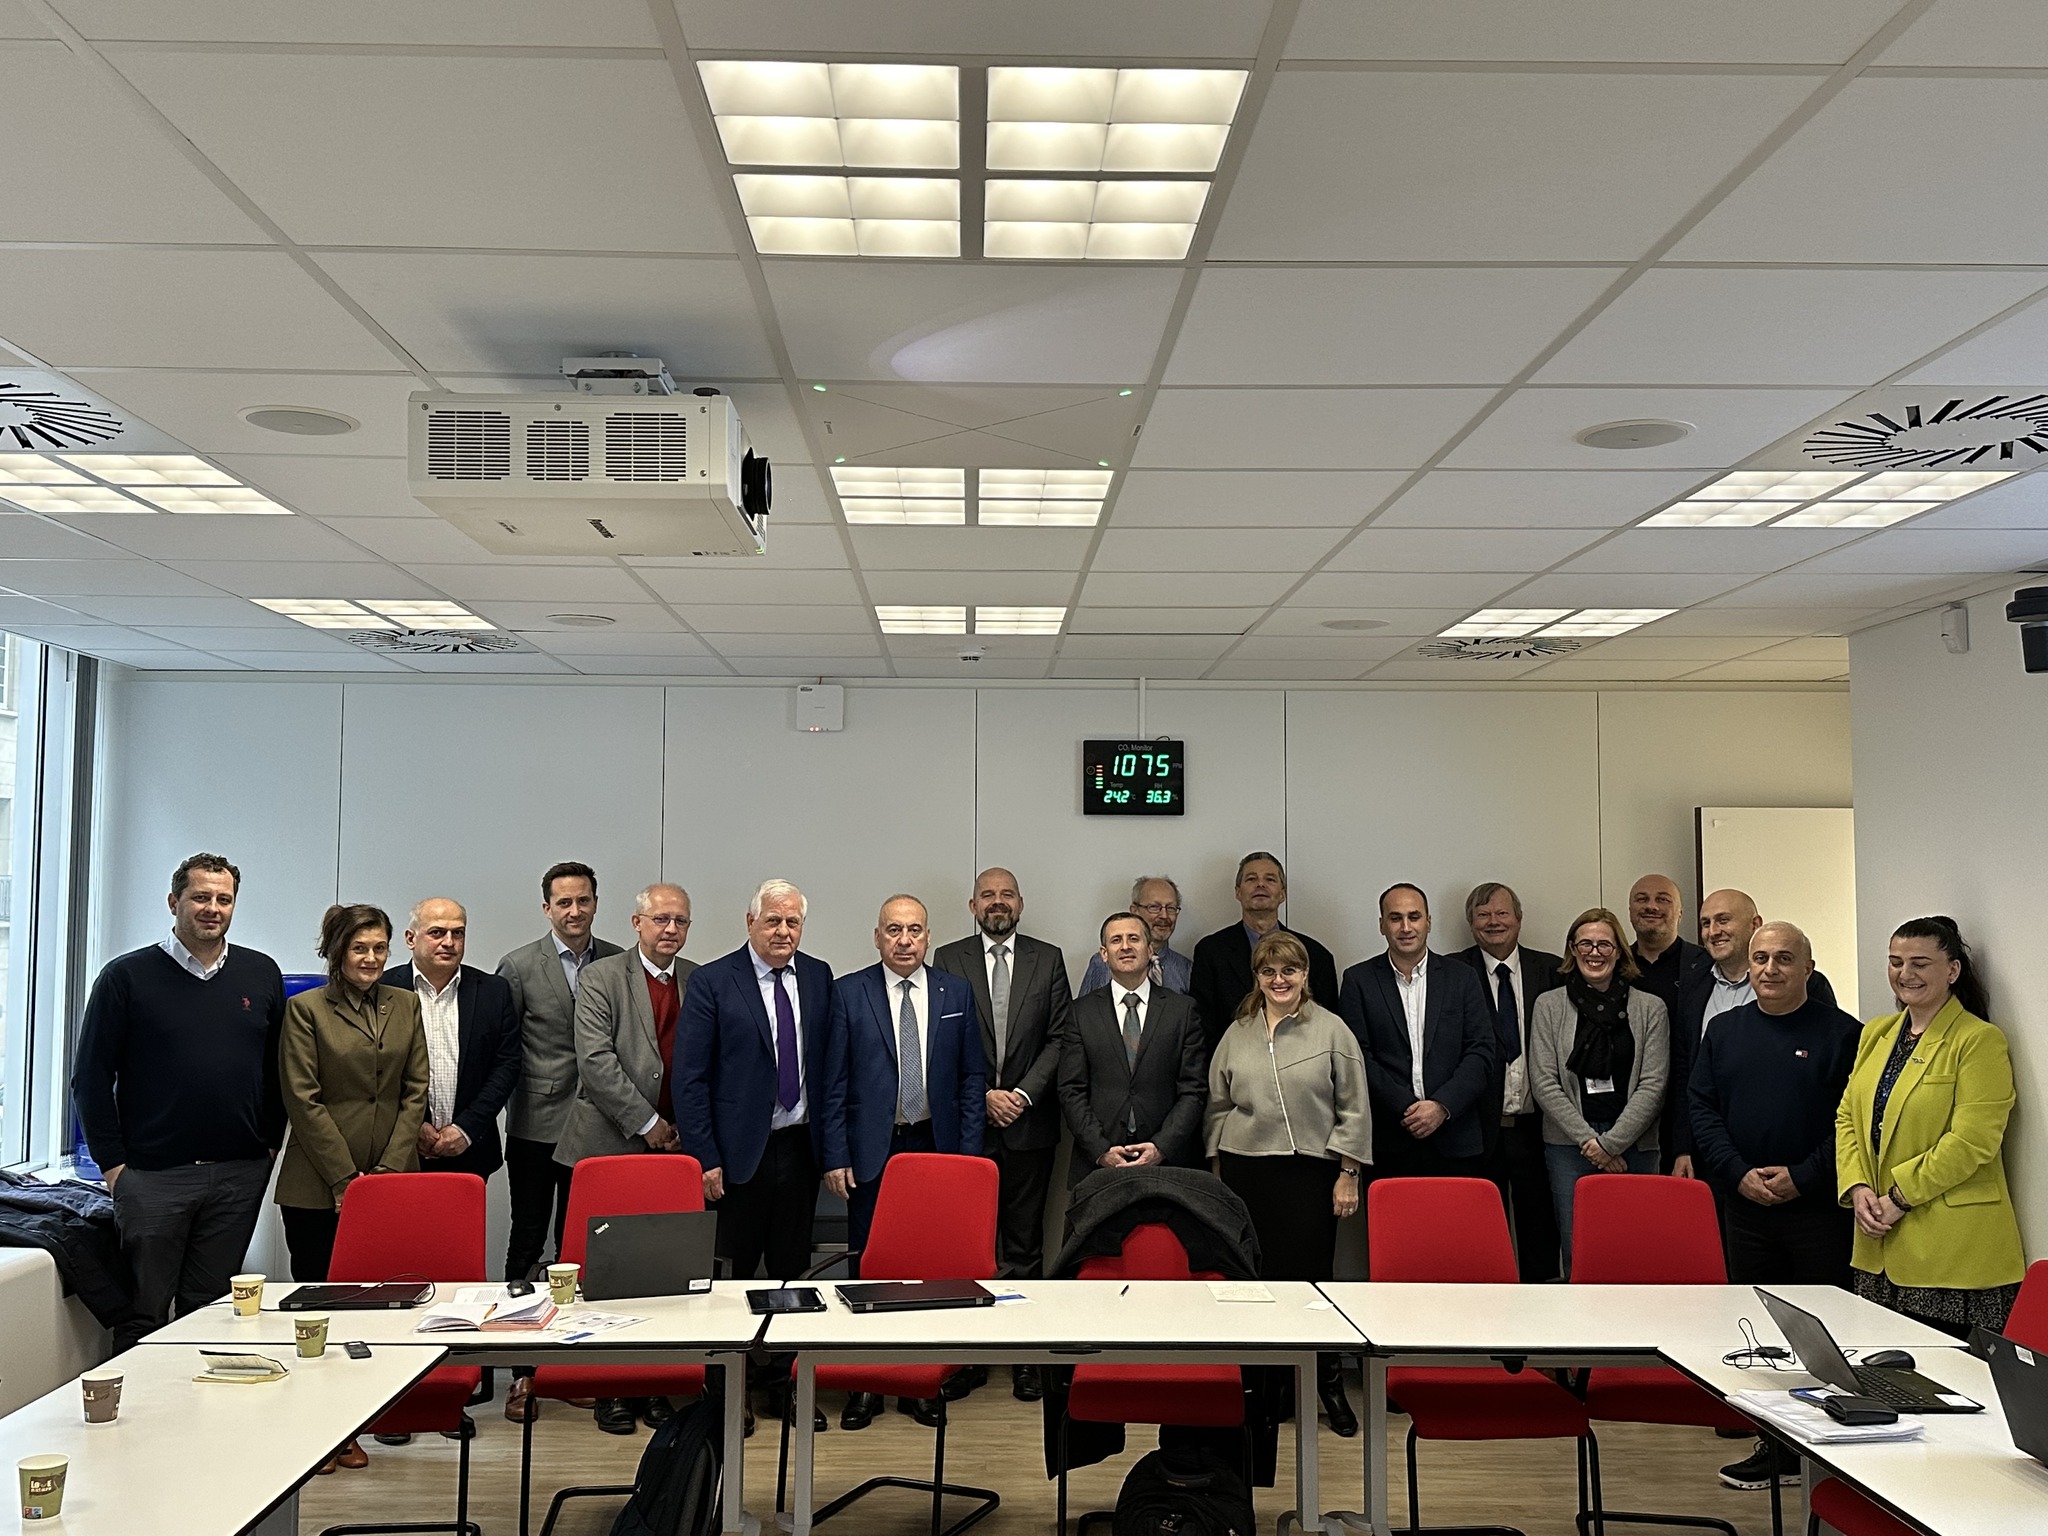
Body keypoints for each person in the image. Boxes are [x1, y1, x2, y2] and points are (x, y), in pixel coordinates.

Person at [72, 853, 286, 1346]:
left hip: (238, 1174)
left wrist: (268, 1145)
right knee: (142, 1313)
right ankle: (136, 1398)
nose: (213, 908)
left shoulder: (260, 973)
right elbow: (90, 1078)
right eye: (200, 897)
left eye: (224, 899)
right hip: (152, 1177)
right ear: (174, 902)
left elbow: (277, 1070)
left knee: (211, 1311)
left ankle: (197, 1396)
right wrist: (114, 1167)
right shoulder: (125, 977)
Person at [1688, 921, 1861, 1493]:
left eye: (1784, 959)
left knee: (1824, 1337)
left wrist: (1803, 1177)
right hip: (1745, 1209)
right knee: (1762, 1337)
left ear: (1808, 968)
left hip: (1817, 1212)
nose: (1770, 969)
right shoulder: (1724, 1030)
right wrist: (1737, 1173)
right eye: (1761, 958)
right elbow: (1702, 1108)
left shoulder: (1845, 1035)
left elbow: (1853, 1126)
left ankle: (1832, 1455)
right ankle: (1776, 1448)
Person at [820, 895, 985, 1431]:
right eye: (894, 930)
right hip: (873, 1150)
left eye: (914, 930)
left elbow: (971, 1079)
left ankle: (920, 1381)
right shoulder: (849, 992)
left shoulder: (955, 992)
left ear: (929, 937)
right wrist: (836, 1154)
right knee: (869, 1265)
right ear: (877, 937)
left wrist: (968, 1159)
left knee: (929, 1267)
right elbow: (832, 1082)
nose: (905, 940)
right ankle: (866, 1383)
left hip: (935, 1145)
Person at [275, 903, 428, 1475]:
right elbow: (302, 1098)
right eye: (359, 948)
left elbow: (416, 1090)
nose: (370, 958)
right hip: (318, 1183)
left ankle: (370, 1417)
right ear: (336, 951)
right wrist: (347, 1180)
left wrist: (386, 1174)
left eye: (379, 948)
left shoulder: (406, 1004)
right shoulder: (306, 1009)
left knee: (383, 1308)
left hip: (393, 1176)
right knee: (321, 1310)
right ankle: (321, 1430)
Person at [674, 879, 833, 1427]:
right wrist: (705, 1157)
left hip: (799, 1150)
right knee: (731, 1276)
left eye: (792, 922)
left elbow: (828, 1067)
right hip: (735, 1158)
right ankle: (729, 1389)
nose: (783, 931)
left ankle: (788, 1384)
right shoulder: (714, 981)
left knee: (793, 1273)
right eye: (772, 921)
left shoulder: (818, 976)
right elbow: (690, 1079)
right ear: (750, 923)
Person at [1206, 931, 1371, 1438]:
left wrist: (1348, 1174)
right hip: (1247, 1172)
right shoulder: (1238, 1032)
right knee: (1259, 1284)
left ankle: (1326, 1383)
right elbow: (1218, 1105)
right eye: (1269, 972)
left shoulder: (1332, 1030)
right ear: (1257, 977)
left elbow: (1354, 1108)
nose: (1279, 980)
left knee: (1312, 1285)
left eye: (1289, 971)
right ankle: (1270, 1388)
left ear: (1305, 975)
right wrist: (1217, 1172)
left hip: (1310, 1174)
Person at [551, 882, 698, 1436]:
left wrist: (682, 1129)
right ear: (637, 923)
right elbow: (595, 1061)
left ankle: (655, 1383)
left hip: (676, 1151)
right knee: (607, 1273)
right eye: (661, 919)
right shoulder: (601, 977)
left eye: (681, 921)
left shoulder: (698, 979)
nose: (671, 930)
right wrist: (648, 1123)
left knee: (663, 1270)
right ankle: (611, 1386)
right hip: (611, 1143)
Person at [1836, 917, 2026, 1341]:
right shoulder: (1877, 1033)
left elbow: (1973, 1140)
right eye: (1895, 962)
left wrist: (1898, 1198)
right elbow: (1847, 1115)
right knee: (1882, 1370)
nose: (1905, 974)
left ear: (1952, 970)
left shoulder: (1978, 1040)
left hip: (1955, 1254)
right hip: (1879, 1246)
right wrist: (1857, 1186)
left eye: (1920, 963)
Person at [932, 867, 1073, 1402]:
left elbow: (1060, 1037)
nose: (998, 902)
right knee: (966, 1245)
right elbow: (942, 1040)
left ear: (1020, 903)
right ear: (973, 906)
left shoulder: (1048, 958)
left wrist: (1020, 1094)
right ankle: (966, 1355)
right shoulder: (948, 958)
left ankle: (1023, 1356)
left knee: (1024, 1245)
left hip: (1028, 1122)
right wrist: (984, 1095)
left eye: (1006, 894)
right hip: (967, 1123)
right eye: (987, 895)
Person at [496, 862, 623, 1287]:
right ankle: (515, 1318)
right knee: (528, 1233)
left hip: (598, 1122)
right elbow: (504, 1049)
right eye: (564, 902)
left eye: (583, 900)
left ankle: (578, 1320)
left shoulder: (618, 960)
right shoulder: (518, 966)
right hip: (537, 1123)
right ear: (546, 908)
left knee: (585, 1233)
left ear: (596, 904)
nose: (575, 911)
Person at [1528, 907, 1668, 1266]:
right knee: (1581, 1252)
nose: (1594, 952)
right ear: (1572, 950)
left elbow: (1653, 1085)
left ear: (1619, 951)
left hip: (1636, 1147)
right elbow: (1544, 1082)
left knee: (1638, 1251)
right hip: (1569, 1148)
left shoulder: (1650, 1008)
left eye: (1604, 944)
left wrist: (1611, 1144)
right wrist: (1590, 1143)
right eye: (1585, 944)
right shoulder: (1548, 1006)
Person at [1669, 890, 1838, 1177]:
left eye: (1723, 920)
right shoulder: (1693, 984)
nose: (1713, 931)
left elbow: (1826, 1066)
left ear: (1755, 924)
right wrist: (1683, 1146)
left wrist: (1806, 1172)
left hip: (1794, 1160)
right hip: (1713, 1154)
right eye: (1706, 923)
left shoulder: (1807, 984)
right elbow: (1686, 1072)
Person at [1337, 884, 1495, 1179]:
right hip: (1390, 1141)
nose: (1406, 927)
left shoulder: (1462, 978)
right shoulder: (1358, 980)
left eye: (1414, 916)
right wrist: (1407, 1108)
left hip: (1455, 1139)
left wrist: (1441, 1106)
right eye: (1395, 918)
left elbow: (1481, 1051)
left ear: (1428, 922)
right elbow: (1357, 1057)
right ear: (1382, 925)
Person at [1449, 881, 1565, 1283]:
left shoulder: (1553, 970)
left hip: (1538, 1128)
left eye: (1501, 913)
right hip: (1476, 1130)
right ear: (1470, 923)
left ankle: (1541, 1314)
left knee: (1541, 1235)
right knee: (1478, 1238)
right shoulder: (1451, 972)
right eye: (1483, 915)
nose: (1493, 922)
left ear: (1519, 918)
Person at [1058, 912, 1207, 1182]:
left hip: (1168, 1161)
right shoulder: (1081, 1012)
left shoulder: (1182, 1010)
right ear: (1104, 954)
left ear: (1150, 950)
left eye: (1134, 939)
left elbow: (1193, 1089)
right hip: (1099, 1162)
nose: (1125, 946)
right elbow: (1071, 1089)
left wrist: (1162, 1147)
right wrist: (1101, 1150)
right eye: (1116, 940)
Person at [382, 898, 522, 1182]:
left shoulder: (493, 991)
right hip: (396, 1150)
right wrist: (412, 1126)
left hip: (470, 1149)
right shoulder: (382, 989)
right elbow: (374, 1071)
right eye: (437, 932)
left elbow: (506, 1065)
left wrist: (466, 1129)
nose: (449, 942)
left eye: (458, 933)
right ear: (410, 938)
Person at [1189, 853, 1341, 1057]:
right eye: (1251, 879)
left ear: (1283, 894)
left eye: (1270, 879)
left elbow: (1326, 1028)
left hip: (1301, 1065)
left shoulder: (1316, 955)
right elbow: (1203, 1027)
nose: (1260, 884)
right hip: (1232, 1064)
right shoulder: (1210, 952)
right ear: (1238, 892)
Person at [1077, 876, 1194, 995]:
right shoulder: (1102, 963)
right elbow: (1085, 1006)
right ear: (1134, 910)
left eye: (1171, 908)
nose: (1164, 916)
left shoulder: (1186, 969)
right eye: (1154, 907)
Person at [1625, 874, 1709, 1023]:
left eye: (1662, 899)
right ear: (1630, 911)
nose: (1651, 906)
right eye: (1642, 899)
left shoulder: (1707, 965)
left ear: (1680, 913)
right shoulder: (1616, 965)